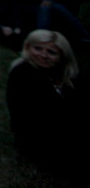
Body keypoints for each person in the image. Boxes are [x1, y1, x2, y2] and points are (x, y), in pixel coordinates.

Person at [6, 30, 88, 184]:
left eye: (51, 52)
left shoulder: (66, 75)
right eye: (37, 49)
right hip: (38, 136)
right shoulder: (23, 73)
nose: (43, 55)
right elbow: (44, 117)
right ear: (28, 48)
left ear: (62, 57)